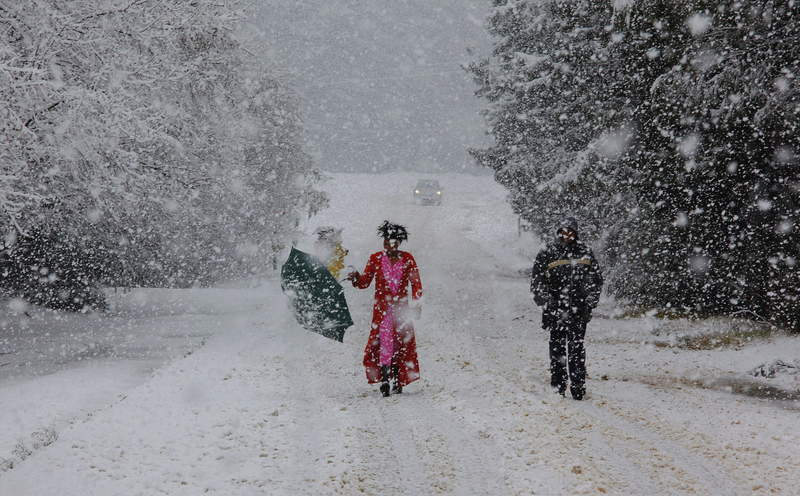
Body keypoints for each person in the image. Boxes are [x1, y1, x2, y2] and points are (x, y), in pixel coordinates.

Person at [346, 221, 423, 397]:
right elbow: (364, 282)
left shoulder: (408, 259)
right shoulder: (376, 259)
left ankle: (397, 377)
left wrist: (417, 305)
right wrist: (355, 277)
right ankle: (385, 378)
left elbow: (416, 284)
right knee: (385, 344)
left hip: (402, 311)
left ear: (399, 243)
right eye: (386, 242)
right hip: (382, 312)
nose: (389, 246)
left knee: (401, 344)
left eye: (393, 242)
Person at [530, 217, 603, 400]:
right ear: (558, 233)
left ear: (576, 233)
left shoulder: (585, 253)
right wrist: (546, 301)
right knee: (557, 349)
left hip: (579, 310)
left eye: (570, 232)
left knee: (577, 348)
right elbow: (537, 282)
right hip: (555, 310)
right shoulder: (548, 253)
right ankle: (558, 386)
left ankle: (578, 386)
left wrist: (590, 300)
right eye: (563, 232)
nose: (567, 236)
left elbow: (596, 280)